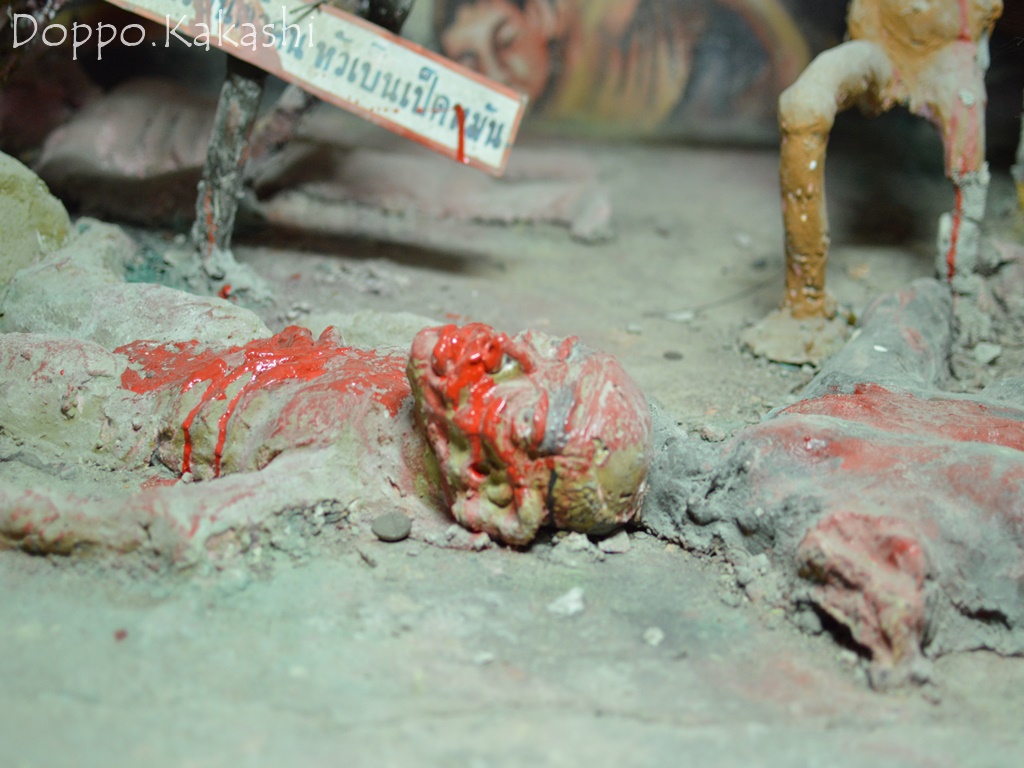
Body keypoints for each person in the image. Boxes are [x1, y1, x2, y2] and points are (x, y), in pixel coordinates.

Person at [434, 0, 810, 138]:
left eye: (505, 42)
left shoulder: (602, 20)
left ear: (540, 15)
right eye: (469, 63)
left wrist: (787, 51)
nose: (496, 74)